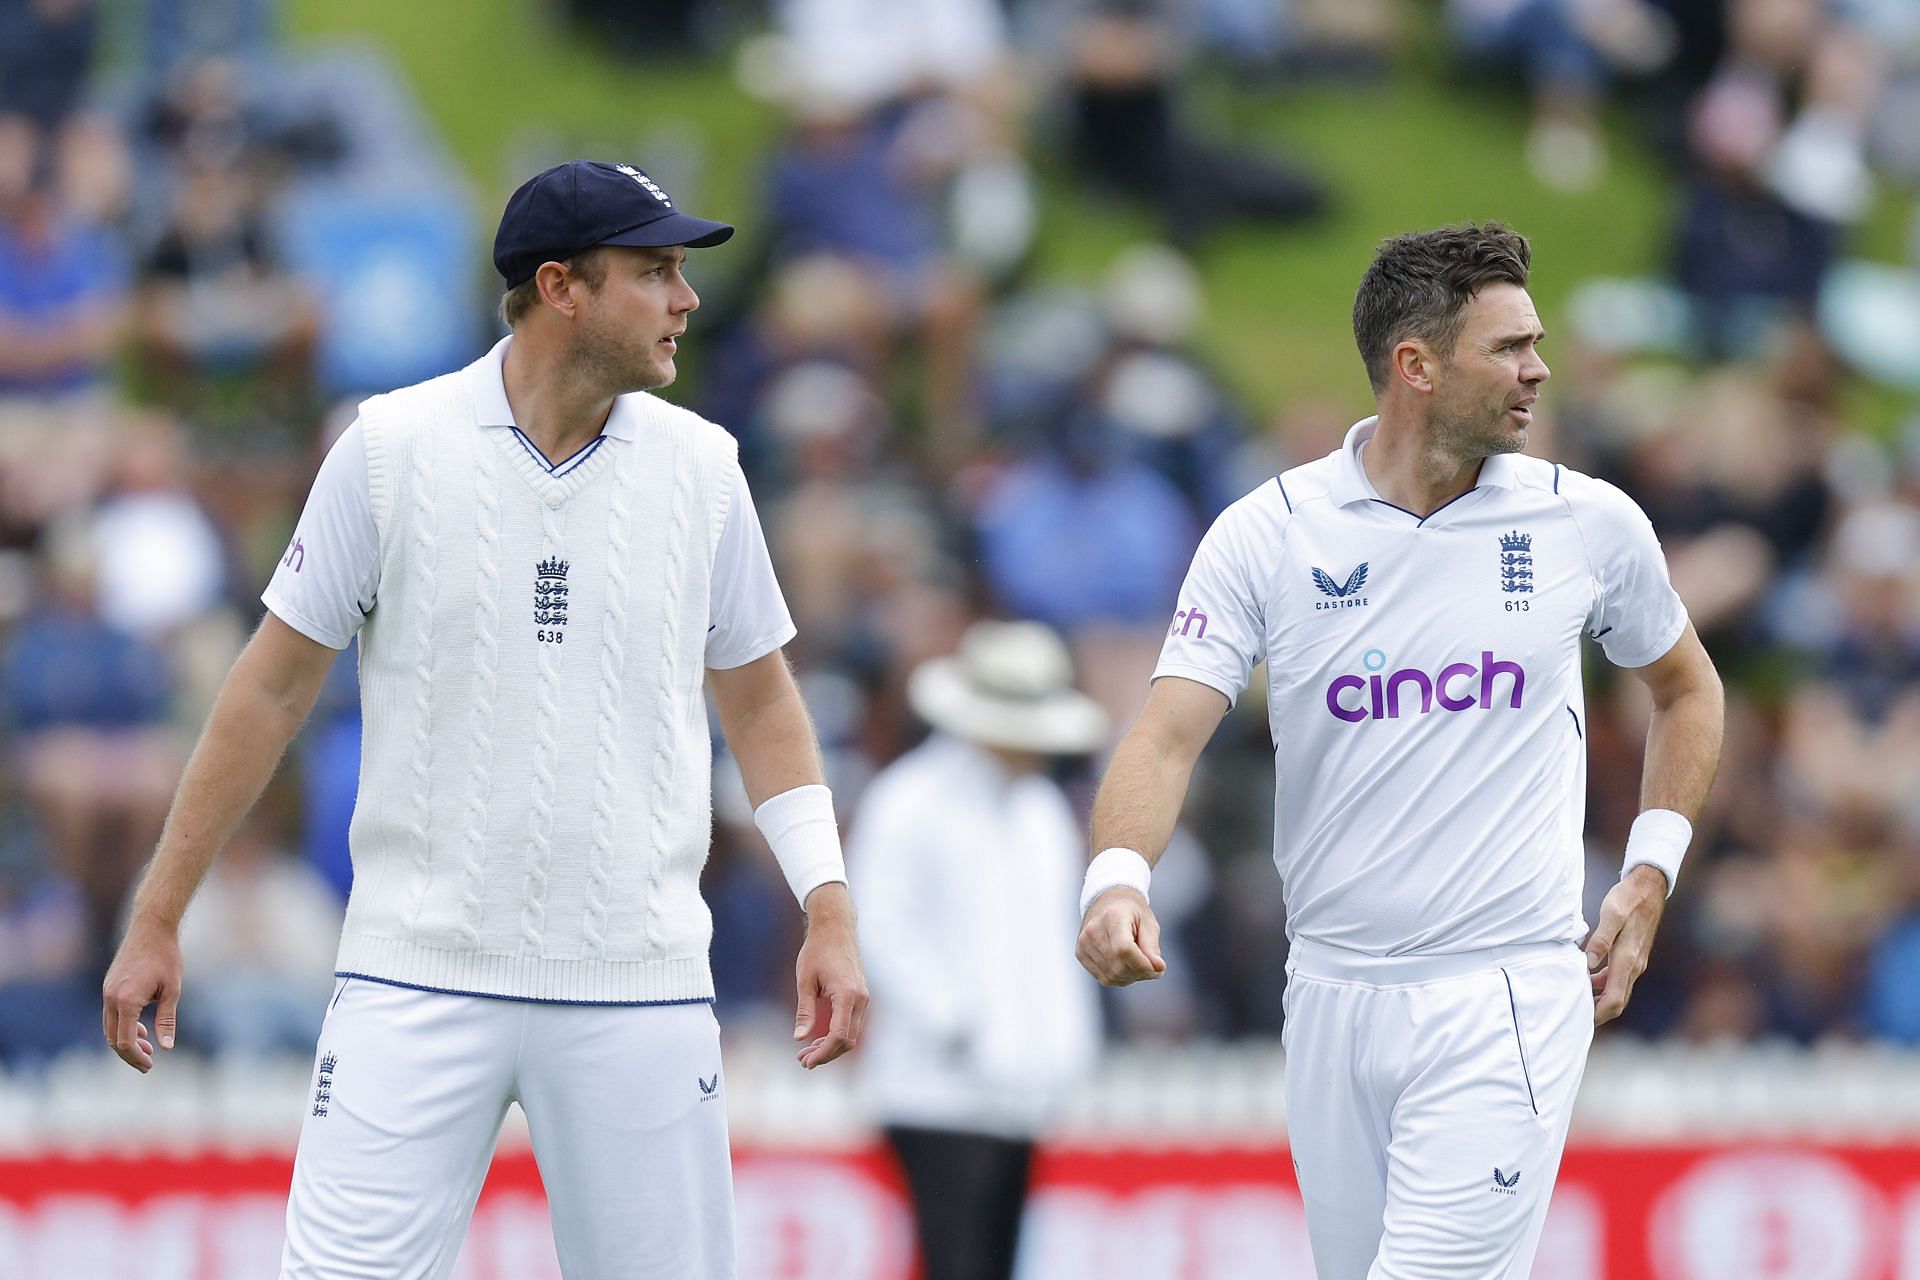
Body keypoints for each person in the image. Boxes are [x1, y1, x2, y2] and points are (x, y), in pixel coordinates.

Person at [100, 159, 870, 1279]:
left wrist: (830, 909)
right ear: (562, 287)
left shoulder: (705, 469)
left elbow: (761, 700)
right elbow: (267, 688)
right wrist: (159, 911)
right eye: (654, 271)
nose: (686, 298)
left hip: (638, 980)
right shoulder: (386, 448)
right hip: (413, 970)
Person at [1075, 222, 1723, 1278]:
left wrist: (1650, 871)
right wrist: (1115, 878)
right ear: (1416, 366)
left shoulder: (1587, 524)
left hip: (1502, 989)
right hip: (1329, 990)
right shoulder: (1268, 531)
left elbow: (1687, 686)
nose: (1539, 368)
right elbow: (1165, 730)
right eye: (1509, 346)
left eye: (1537, 341)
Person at [849, 619, 1106, 1280]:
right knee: (956, 1259)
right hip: (934, 1088)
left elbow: (1049, 945)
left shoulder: (1039, 812)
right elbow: (881, 929)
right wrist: (956, 1023)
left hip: (1021, 1088)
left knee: (995, 1260)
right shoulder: (908, 802)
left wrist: (1059, 1045)